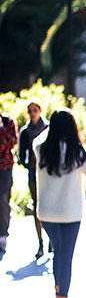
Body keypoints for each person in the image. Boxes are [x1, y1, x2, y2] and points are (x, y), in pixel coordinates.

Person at [33, 109, 86, 298]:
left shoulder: (40, 148)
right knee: (66, 258)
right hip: (70, 214)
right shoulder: (77, 151)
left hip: (46, 213)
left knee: (58, 256)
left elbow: (38, 138)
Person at [18, 101, 49, 257]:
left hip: (49, 172)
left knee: (49, 204)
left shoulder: (48, 128)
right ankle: (40, 242)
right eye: (30, 111)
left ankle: (51, 239)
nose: (32, 113)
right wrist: (28, 164)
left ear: (40, 111)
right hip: (33, 173)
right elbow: (21, 154)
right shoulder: (25, 132)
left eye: (35, 110)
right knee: (37, 207)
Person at [0, 107, 18, 254]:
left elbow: (11, 142)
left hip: (5, 168)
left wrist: (1, 127)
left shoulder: (8, 122)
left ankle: (3, 235)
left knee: (3, 200)